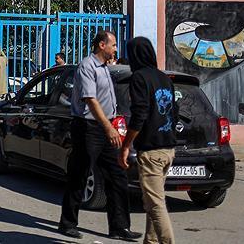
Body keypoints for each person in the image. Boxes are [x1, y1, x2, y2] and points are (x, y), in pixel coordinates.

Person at [59, 30, 141, 242]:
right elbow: (91, 100)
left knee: (117, 175)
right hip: (88, 127)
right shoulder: (87, 66)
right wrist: (108, 128)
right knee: (80, 174)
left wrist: (111, 126)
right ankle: (68, 223)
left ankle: (119, 227)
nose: (116, 49)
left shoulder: (105, 68)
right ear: (101, 45)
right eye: (113, 45)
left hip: (106, 128)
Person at [119, 37, 178, 244]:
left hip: (151, 151)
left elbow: (139, 114)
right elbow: (174, 111)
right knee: (154, 201)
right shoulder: (164, 78)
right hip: (168, 148)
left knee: (155, 204)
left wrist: (126, 145)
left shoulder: (139, 78)